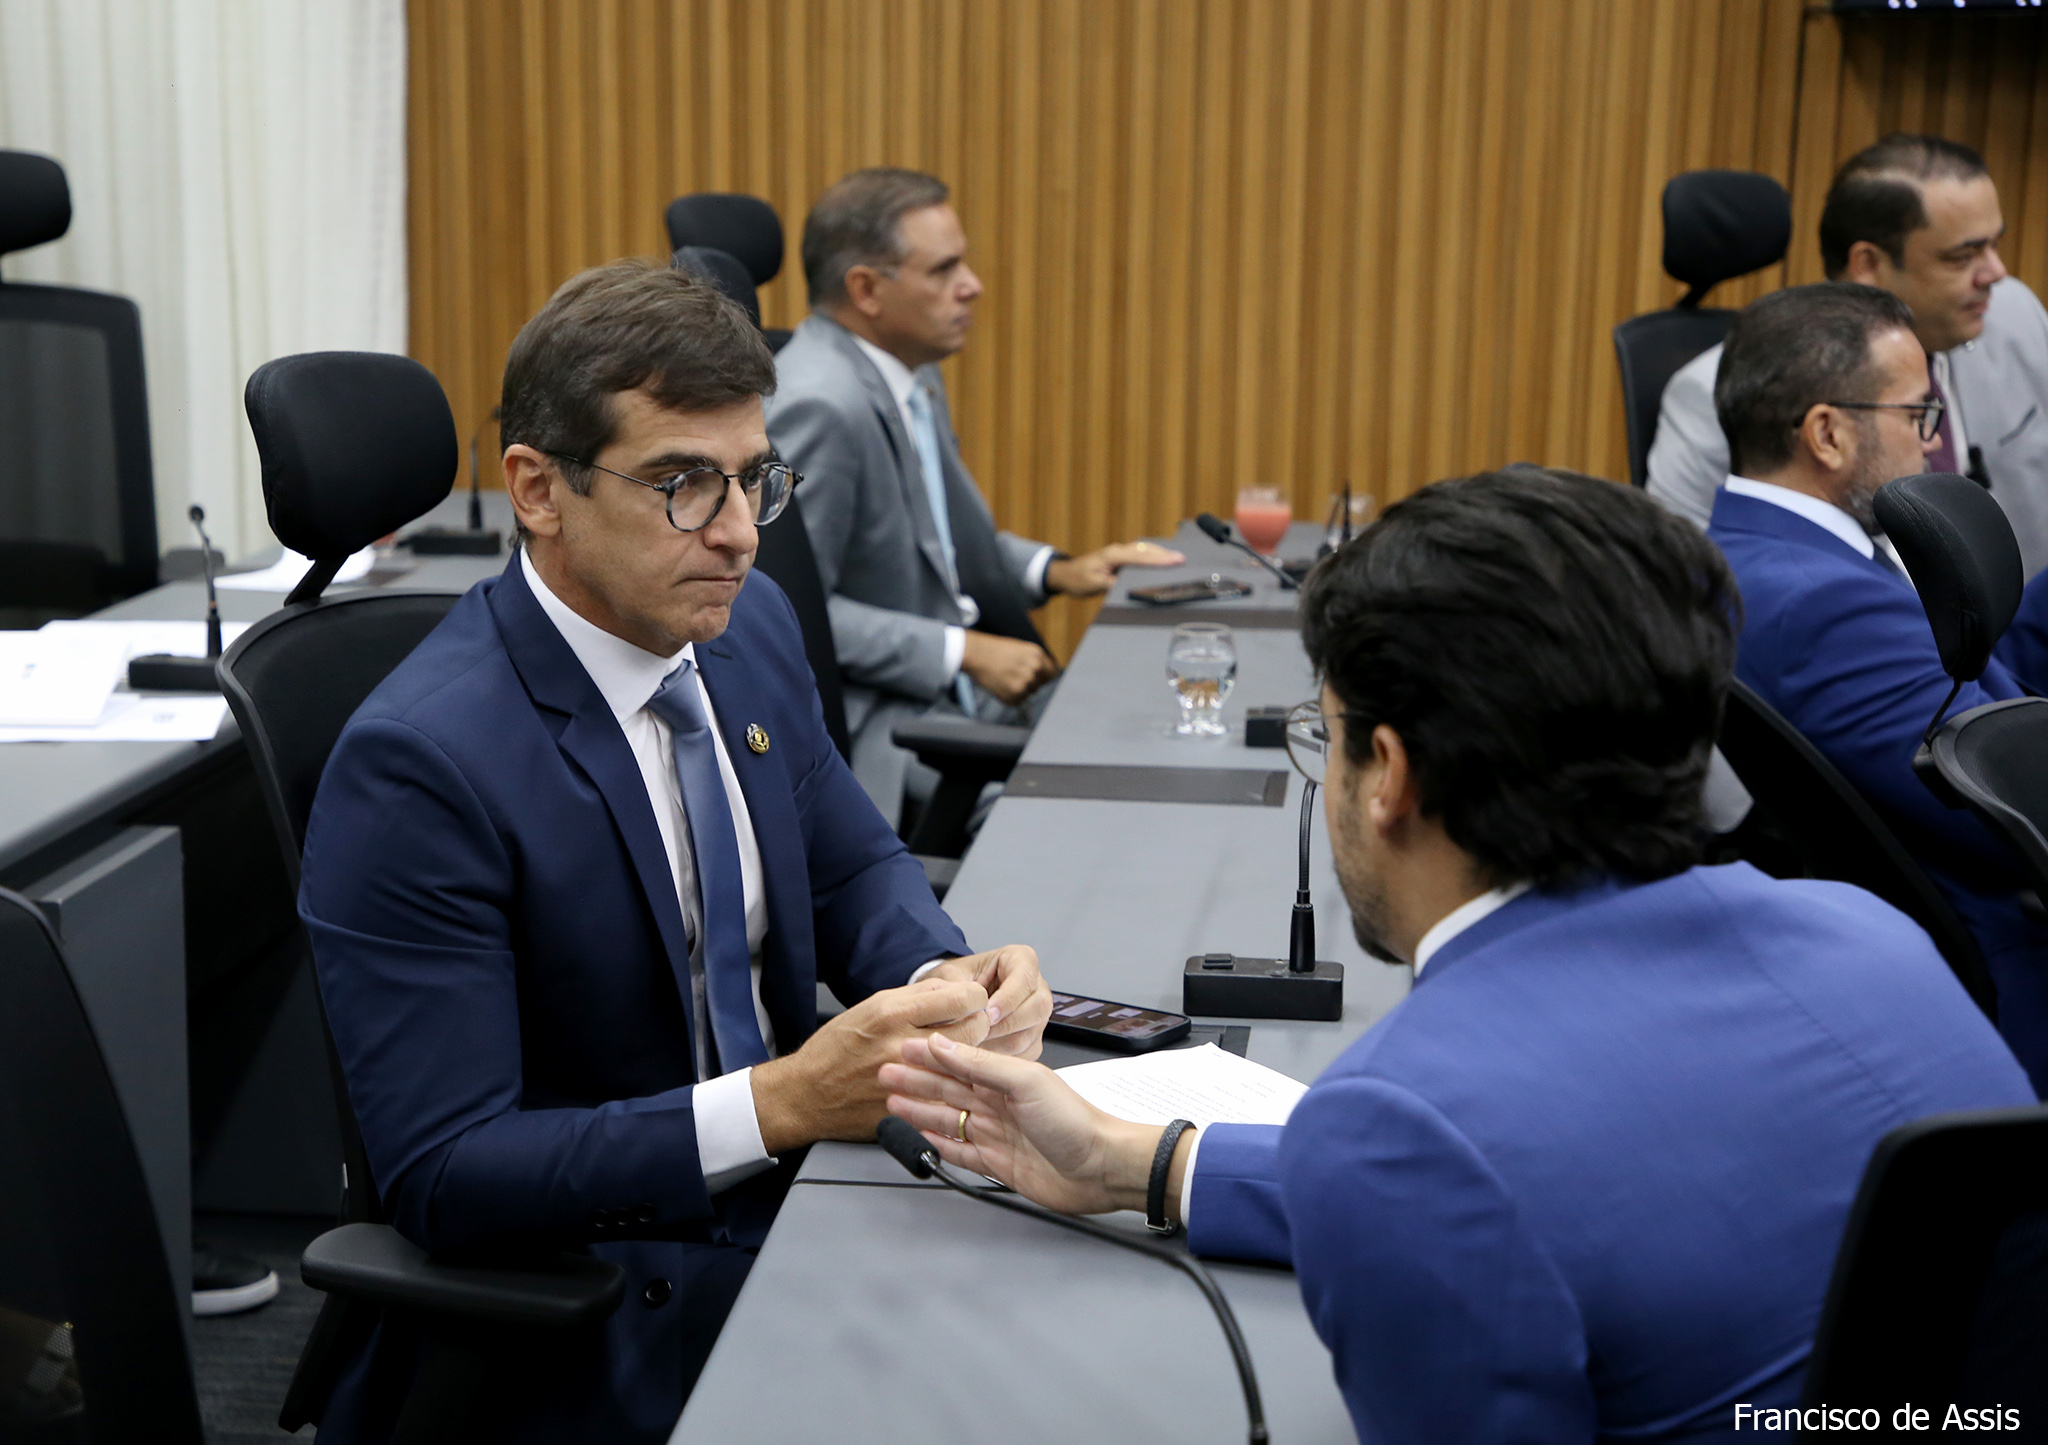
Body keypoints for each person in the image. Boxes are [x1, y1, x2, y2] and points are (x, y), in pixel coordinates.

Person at [882, 469, 2032, 1444]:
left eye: (1324, 734)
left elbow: (1446, 1177)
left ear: (1385, 771)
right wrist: (1131, 1161)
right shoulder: (1876, 943)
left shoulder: (1411, 1123)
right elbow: (1543, 1191)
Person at [298, 261, 1053, 1444]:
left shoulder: (744, 628)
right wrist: (781, 1102)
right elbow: (446, 1169)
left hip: (798, 1199)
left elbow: (849, 863)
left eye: (753, 478)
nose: (741, 533)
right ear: (537, 490)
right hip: (601, 1289)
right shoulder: (420, 763)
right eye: (681, 485)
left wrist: (936, 978)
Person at [1706, 281, 2048, 1089]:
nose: (1936, 443)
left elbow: (1976, 692)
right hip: (2002, 983)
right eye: (1918, 414)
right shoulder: (1823, 604)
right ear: (1827, 433)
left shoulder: (1762, 556)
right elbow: (2017, 813)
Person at [765, 168, 1183, 822]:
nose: (973, 285)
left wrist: (1061, 570)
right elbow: (784, 612)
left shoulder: (910, 376)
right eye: (944, 269)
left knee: (1150, 729)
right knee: (1101, 812)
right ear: (866, 289)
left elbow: (938, 544)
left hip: (958, 700)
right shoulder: (821, 402)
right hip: (894, 729)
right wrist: (962, 650)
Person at [1649, 135, 2048, 576]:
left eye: (1994, 245)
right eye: (1963, 256)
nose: (1996, 273)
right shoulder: (1725, 392)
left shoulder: (2013, 316)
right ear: (1868, 264)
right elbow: (1681, 583)